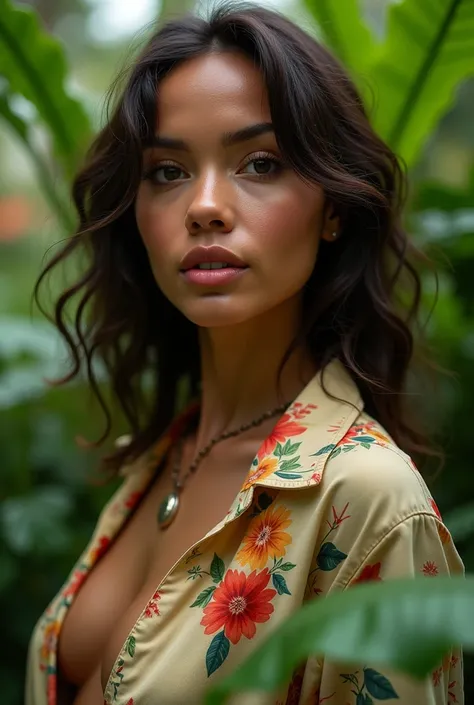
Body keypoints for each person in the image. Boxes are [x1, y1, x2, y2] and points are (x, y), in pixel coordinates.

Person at [26, 3, 464, 705]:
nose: (204, 205)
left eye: (259, 162)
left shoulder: (367, 500)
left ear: (333, 209)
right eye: (166, 171)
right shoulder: (162, 458)